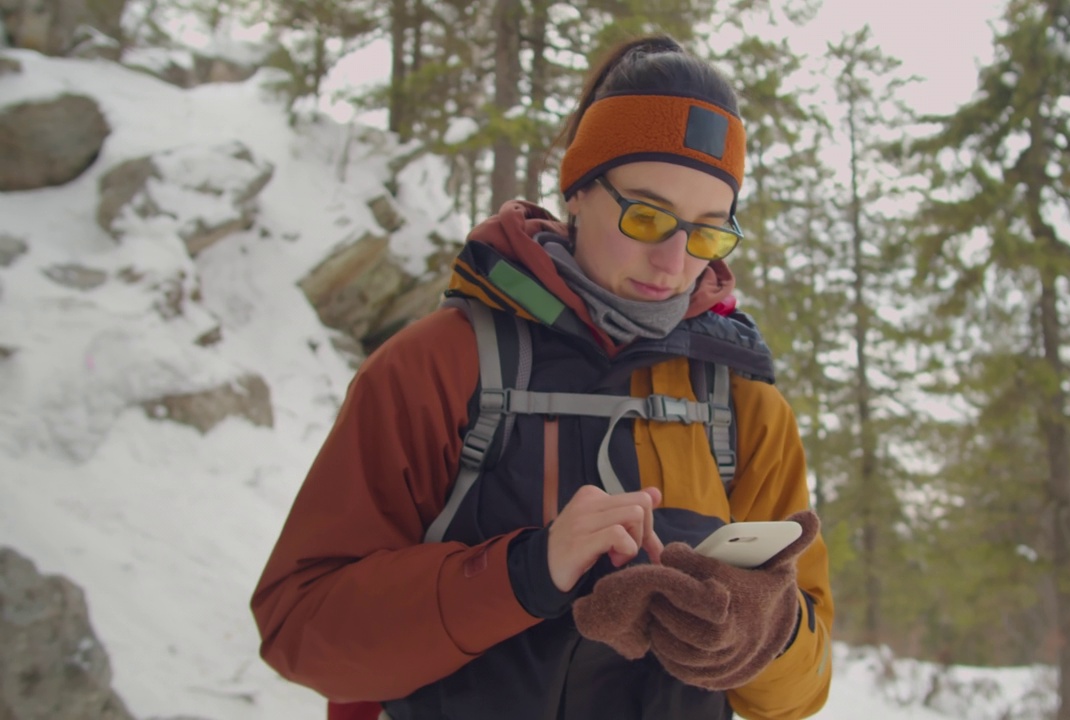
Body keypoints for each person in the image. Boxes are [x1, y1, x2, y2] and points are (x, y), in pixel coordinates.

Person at [251, 34, 833, 720]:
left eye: (707, 231)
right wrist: (524, 573)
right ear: (579, 191)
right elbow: (301, 630)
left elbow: (804, 691)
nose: (674, 262)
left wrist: (765, 633)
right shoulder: (443, 367)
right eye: (646, 215)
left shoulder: (743, 406)